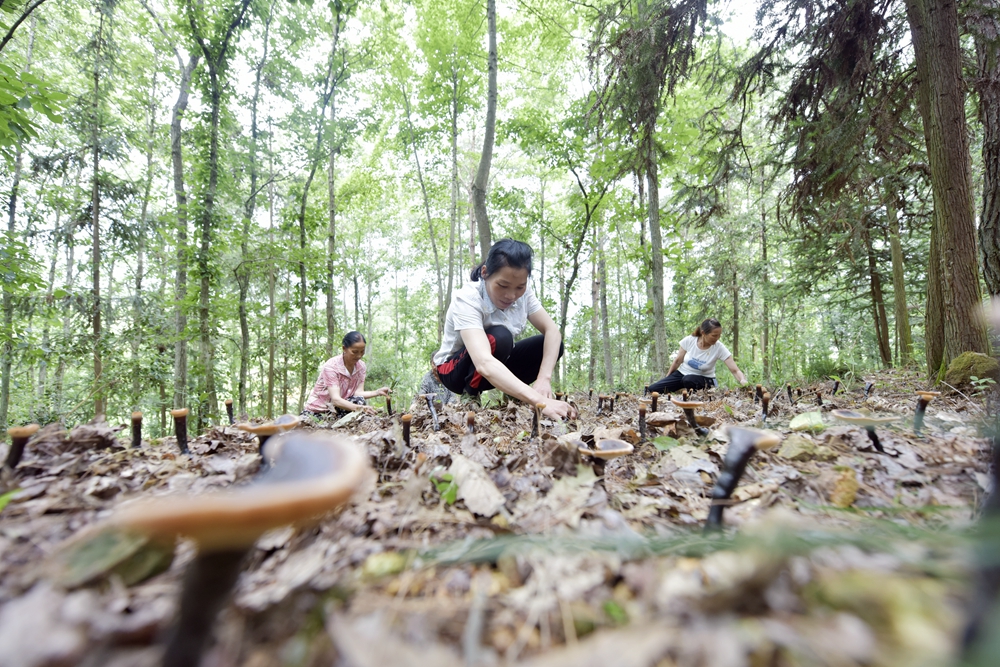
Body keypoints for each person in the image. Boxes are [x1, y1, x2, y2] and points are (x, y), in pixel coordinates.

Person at [433, 238, 577, 421]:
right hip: (453, 370)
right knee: (500, 337)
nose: (511, 295)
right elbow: (484, 363)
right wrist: (539, 400)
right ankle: (470, 395)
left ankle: (515, 395)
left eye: (520, 287)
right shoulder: (468, 298)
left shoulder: (524, 296)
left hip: (497, 362)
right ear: (485, 273)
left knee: (548, 344)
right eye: (502, 285)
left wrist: (543, 379)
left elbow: (552, 331)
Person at [649, 318, 747, 394]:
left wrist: (742, 380)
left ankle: (697, 396)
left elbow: (735, 370)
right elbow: (677, 361)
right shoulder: (690, 340)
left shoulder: (719, 347)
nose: (717, 338)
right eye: (714, 335)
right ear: (703, 333)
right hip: (682, 374)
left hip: (705, 379)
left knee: (688, 379)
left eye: (719, 335)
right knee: (652, 390)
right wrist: (667, 379)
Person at [302, 331, 389, 418]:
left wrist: (377, 392)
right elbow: (336, 399)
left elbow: (358, 393)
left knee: (359, 400)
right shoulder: (331, 366)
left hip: (338, 409)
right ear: (344, 348)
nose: (359, 356)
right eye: (355, 352)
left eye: (362, 351)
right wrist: (361, 408)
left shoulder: (361, 366)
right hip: (318, 411)